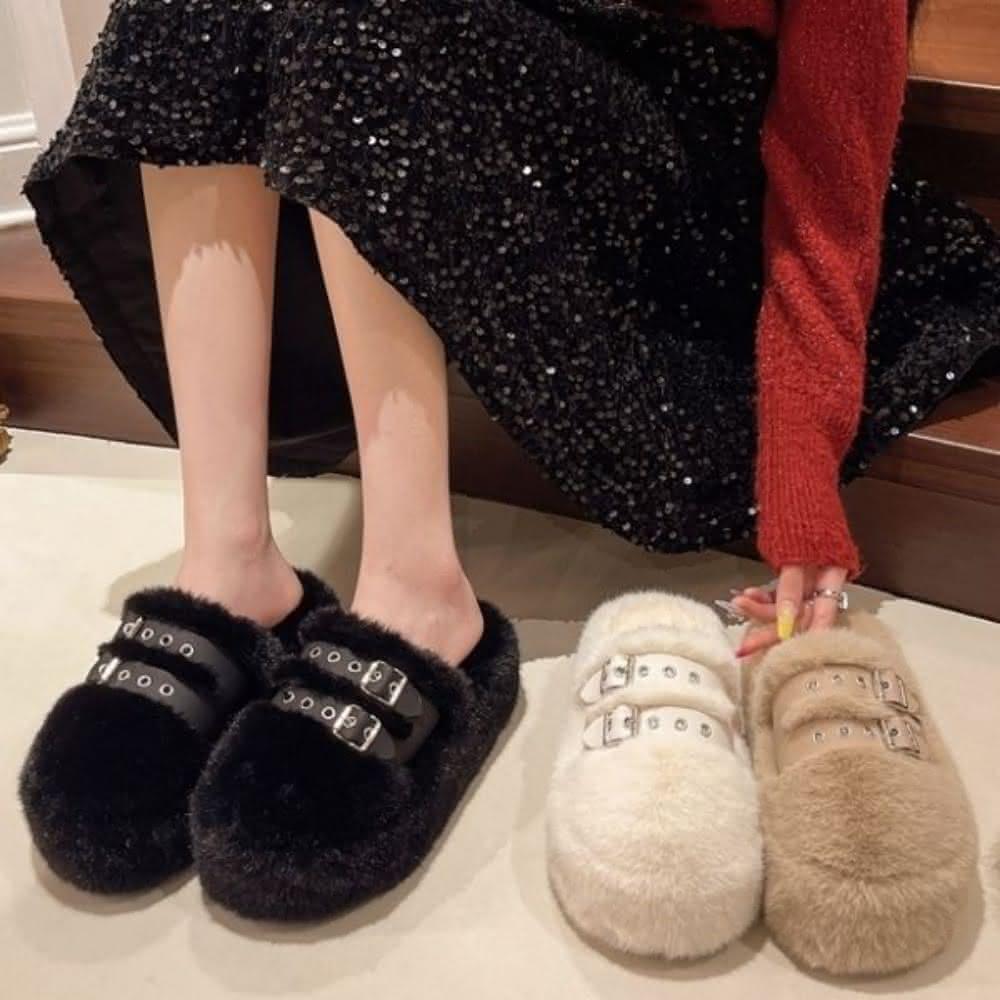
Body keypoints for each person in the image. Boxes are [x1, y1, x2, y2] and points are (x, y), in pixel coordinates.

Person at [18, 0, 999, 913]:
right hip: (489, 131)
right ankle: (230, 564)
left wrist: (798, 472)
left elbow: (827, 176)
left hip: (676, 225)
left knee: (369, 15)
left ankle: (419, 593)